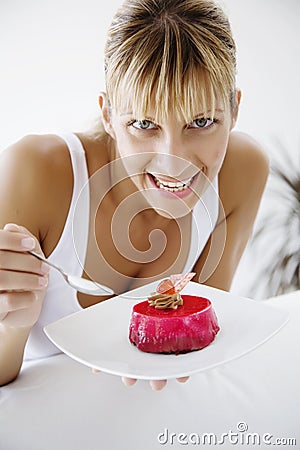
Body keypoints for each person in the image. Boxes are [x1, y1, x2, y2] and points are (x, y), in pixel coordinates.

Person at [0, 0, 268, 389]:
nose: (173, 162)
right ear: (108, 114)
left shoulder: (244, 171)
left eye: (202, 121)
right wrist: (11, 323)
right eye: (144, 123)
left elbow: (202, 329)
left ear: (235, 109)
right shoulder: (34, 172)